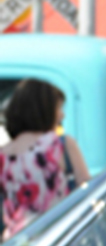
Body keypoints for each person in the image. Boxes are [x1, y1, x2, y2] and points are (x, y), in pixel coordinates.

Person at [2, 79, 89, 236]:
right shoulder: (61, 145)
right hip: (56, 239)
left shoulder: (3, 154)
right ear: (44, 110)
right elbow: (88, 191)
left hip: (15, 243)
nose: (62, 115)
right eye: (59, 108)